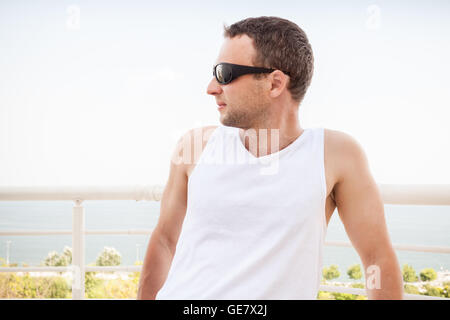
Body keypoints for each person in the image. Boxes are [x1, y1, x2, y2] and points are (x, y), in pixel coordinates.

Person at [137, 16, 403, 300]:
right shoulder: (195, 146)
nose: (211, 87)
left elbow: (377, 259)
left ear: (275, 84)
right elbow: (165, 242)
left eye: (224, 73)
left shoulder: (335, 155)